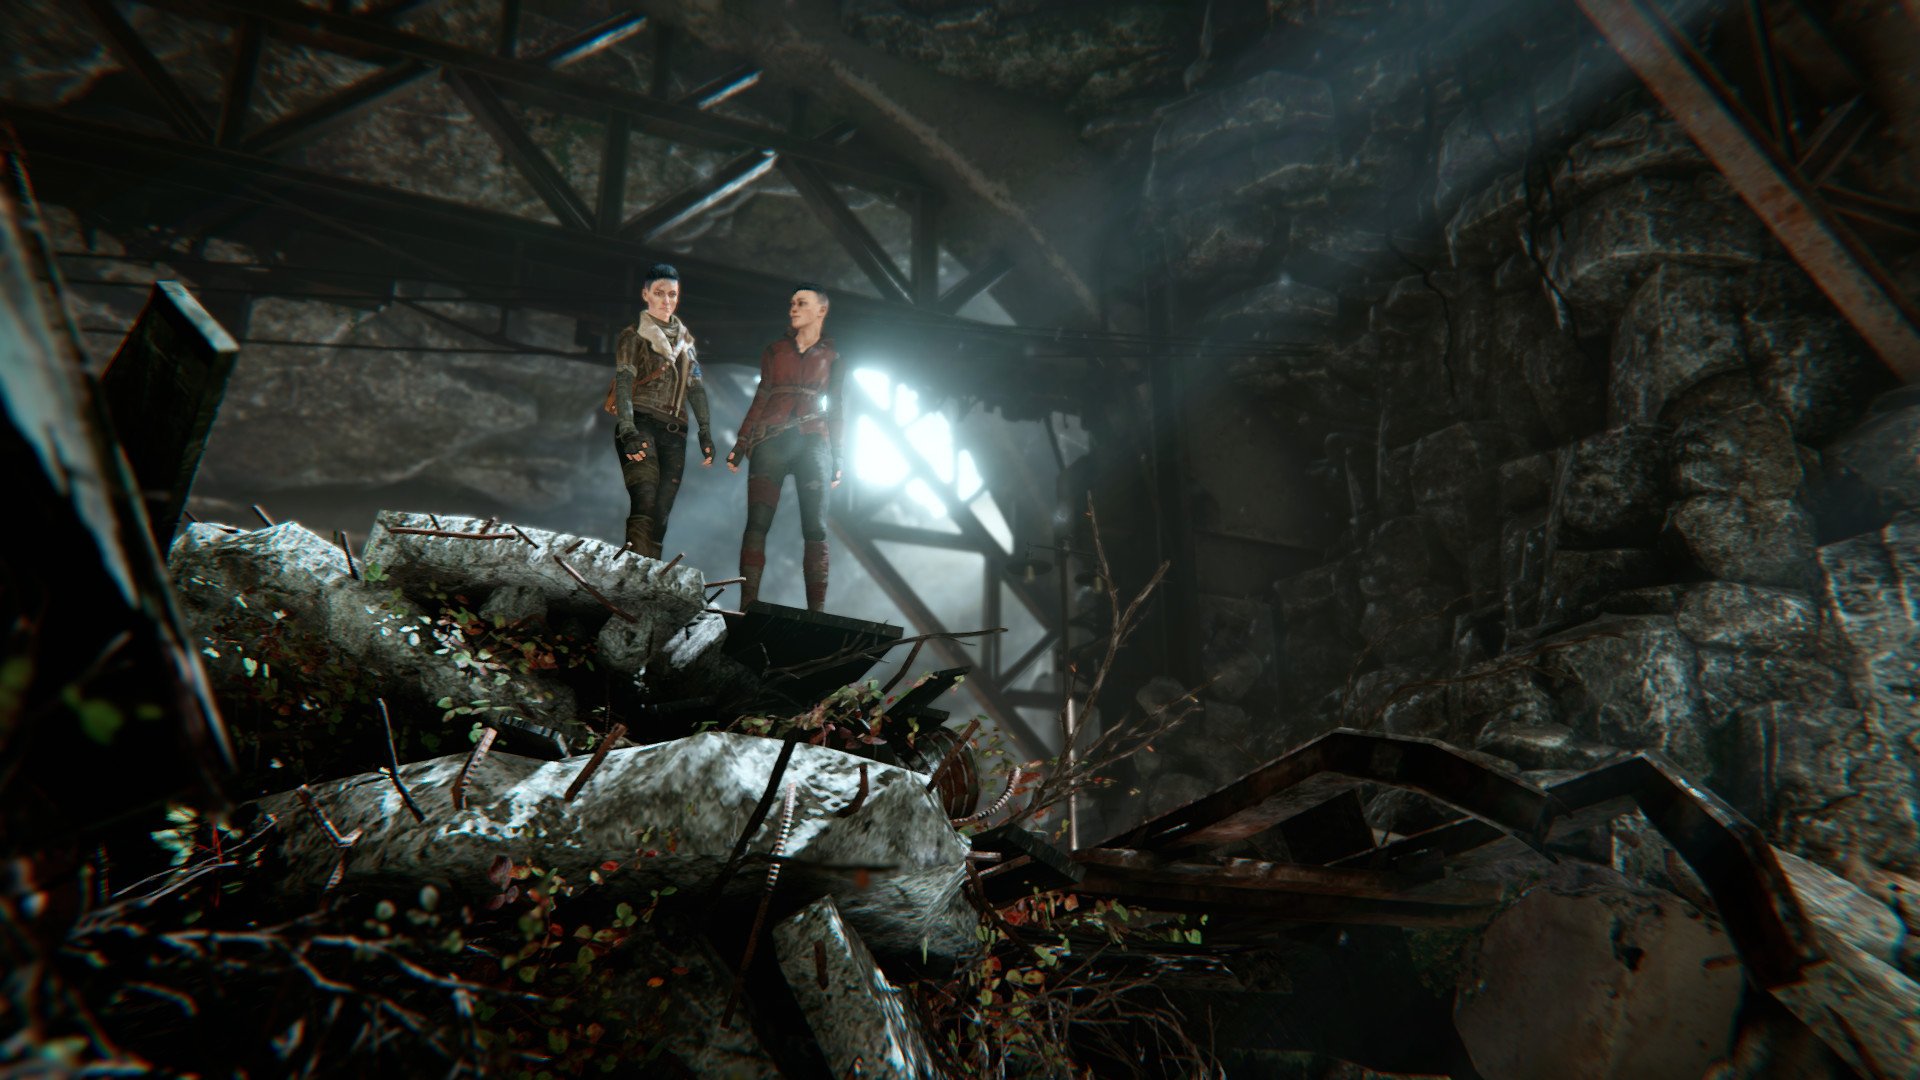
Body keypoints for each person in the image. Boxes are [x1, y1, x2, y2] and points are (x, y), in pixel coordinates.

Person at [727, 284, 843, 611]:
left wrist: (838, 455)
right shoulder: (775, 351)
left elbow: (837, 408)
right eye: (792, 303)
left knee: (816, 528)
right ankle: (748, 603)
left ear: (821, 310)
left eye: (801, 303)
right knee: (757, 523)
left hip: (813, 442)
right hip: (771, 439)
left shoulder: (833, 358)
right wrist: (742, 443)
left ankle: (816, 613)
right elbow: (762, 395)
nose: (793, 308)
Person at [603, 264, 713, 558]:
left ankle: (649, 571)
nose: (666, 300)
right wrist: (628, 430)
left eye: (672, 294)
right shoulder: (633, 336)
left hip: (675, 432)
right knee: (645, 497)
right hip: (641, 423)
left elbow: (696, 388)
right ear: (646, 294)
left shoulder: (687, 343)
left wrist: (705, 431)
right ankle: (635, 568)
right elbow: (624, 381)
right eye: (659, 293)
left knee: (662, 511)